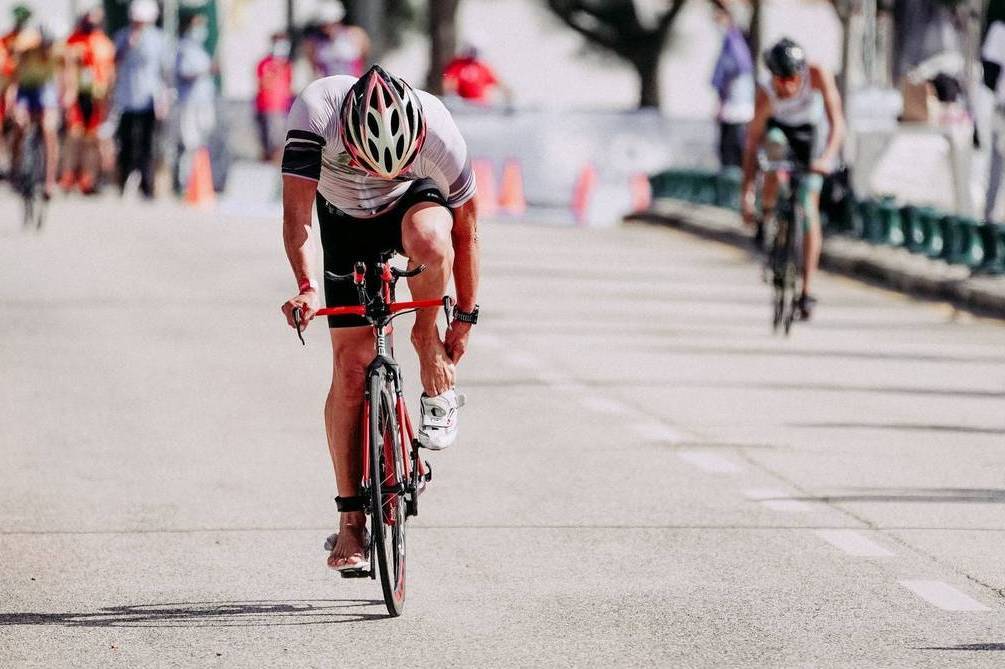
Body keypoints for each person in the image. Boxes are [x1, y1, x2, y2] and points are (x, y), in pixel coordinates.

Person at [279, 66, 478, 573]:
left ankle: (423, 341)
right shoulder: (316, 113)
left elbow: (467, 233)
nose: (379, 175)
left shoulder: (439, 130)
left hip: (410, 207)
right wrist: (306, 287)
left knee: (432, 238)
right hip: (343, 220)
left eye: (394, 165)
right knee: (350, 368)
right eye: (367, 164)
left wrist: (461, 318)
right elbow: (298, 219)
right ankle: (351, 521)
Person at [740, 38, 845, 320]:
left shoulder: (817, 75)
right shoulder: (765, 94)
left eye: (793, 79)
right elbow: (752, 143)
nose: (787, 86)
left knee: (809, 208)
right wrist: (747, 194)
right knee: (773, 155)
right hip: (779, 134)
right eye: (781, 79)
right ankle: (769, 216)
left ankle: (806, 290)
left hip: (809, 138)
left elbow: (837, 123)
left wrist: (826, 159)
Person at [111, 0, 168, 199]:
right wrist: (128, 45)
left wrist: (163, 98)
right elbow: (114, 62)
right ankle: (123, 182)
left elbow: (164, 71)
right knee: (125, 142)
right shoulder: (122, 36)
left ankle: (147, 186)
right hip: (126, 98)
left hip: (149, 98)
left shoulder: (159, 39)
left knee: (147, 143)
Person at [7, 22, 70, 199]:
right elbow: (15, 74)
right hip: (26, 88)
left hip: (45, 89)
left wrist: (66, 95)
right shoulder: (27, 49)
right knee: (20, 124)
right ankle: (16, 166)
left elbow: (66, 74)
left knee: (49, 129)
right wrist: (12, 98)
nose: (47, 50)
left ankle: (49, 181)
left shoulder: (60, 52)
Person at [61, 4, 116, 194]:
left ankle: (88, 178)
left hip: (96, 97)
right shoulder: (73, 40)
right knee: (74, 136)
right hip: (77, 95)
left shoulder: (104, 44)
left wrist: (108, 98)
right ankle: (68, 175)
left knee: (92, 139)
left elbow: (110, 74)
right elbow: (65, 68)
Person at [173, 12, 216, 194]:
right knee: (189, 142)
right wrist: (206, 69)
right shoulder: (184, 48)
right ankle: (184, 183)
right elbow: (185, 71)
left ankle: (201, 182)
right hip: (190, 102)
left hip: (204, 102)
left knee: (202, 142)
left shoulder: (200, 50)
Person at [710, 1, 754, 170]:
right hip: (734, 108)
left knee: (731, 155)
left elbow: (732, 72)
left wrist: (722, 104)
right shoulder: (731, 40)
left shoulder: (733, 42)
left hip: (736, 109)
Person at [304, 1, 369, 80]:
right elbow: (314, 67)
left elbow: (364, 57)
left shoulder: (356, 35)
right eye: (324, 25)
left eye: (331, 24)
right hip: (330, 84)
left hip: (354, 83)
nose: (328, 28)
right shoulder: (314, 43)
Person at [254, 32, 293, 162]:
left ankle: (276, 159)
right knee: (270, 138)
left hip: (283, 106)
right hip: (268, 105)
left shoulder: (287, 64)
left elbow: (288, 85)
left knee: (280, 137)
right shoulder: (265, 63)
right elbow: (264, 83)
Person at [442, 41, 512, 106]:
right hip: (464, 104)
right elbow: (448, 82)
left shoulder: (482, 67)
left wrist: (508, 94)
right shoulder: (459, 65)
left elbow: (498, 83)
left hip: (480, 105)